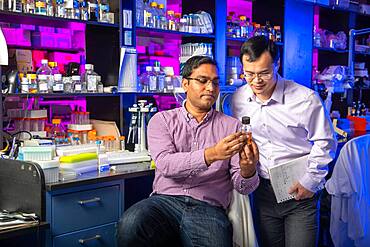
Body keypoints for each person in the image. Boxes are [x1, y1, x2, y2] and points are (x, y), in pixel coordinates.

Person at [118, 56, 260, 247]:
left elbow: (243, 187)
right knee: (130, 224)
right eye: (202, 81)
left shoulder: (232, 126)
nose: (211, 88)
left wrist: (248, 170)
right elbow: (166, 165)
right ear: (185, 84)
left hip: (208, 208)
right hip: (164, 202)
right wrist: (212, 154)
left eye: (215, 82)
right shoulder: (162, 121)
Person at [232, 36, 337, 247]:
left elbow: (326, 142)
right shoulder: (238, 99)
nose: (256, 81)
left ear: (277, 64)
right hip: (263, 191)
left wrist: (310, 182)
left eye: (264, 73)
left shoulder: (305, 99)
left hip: (301, 190)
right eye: (249, 74)